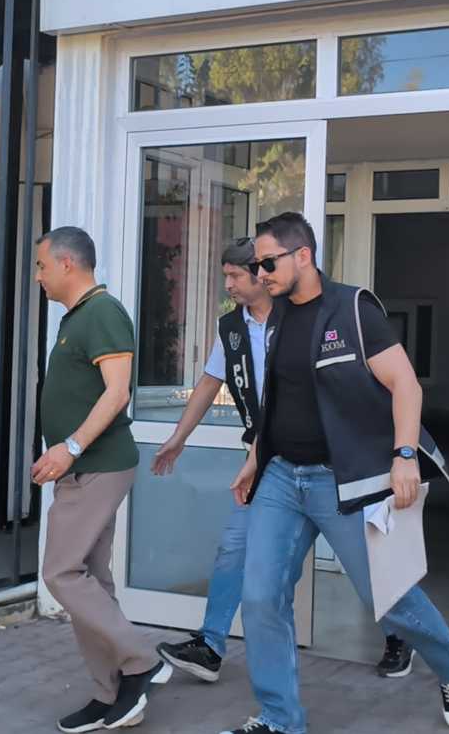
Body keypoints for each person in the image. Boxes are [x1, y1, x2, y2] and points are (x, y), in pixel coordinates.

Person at [221, 212, 449, 734]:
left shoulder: (354, 309)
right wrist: (255, 457)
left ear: (303, 256)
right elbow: (279, 398)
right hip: (281, 477)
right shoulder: (277, 316)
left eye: (267, 263)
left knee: (389, 597)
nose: (260, 273)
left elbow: (405, 385)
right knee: (261, 597)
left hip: (343, 480)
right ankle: (279, 719)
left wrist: (404, 456)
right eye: (257, 265)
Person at [30, 226, 171, 733]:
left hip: (97, 465)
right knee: (91, 578)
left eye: (42, 266)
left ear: (67, 263)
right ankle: (112, 692)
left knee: (61, 572)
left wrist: (69, 448)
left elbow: (117, 393)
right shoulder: (78, 317)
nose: (38, 276)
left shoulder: (104, 312)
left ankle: (141, 661)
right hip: (85, 467)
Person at [148, 238, 271, 683]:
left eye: (235, 276)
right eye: (226, 276)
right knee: (234, 547)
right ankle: (211, 646)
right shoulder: (232, 327)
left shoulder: (297, 319)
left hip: (315, 461)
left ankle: (400, 633)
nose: (228, 285)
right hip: (262, 459)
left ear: (260, 274)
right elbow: (208, 382)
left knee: (358, 553)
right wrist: (178, 437)